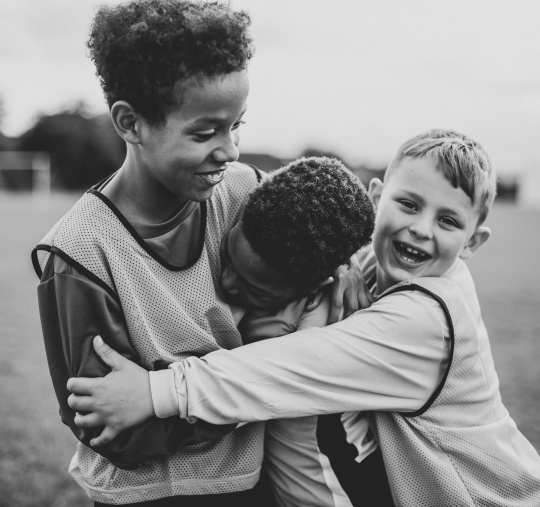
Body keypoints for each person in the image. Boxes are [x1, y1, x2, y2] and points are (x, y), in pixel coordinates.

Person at [68, 129, 540, 506]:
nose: (420, 228)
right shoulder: (391, 264)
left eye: (448, 221)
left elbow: (288, 367)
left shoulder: (426, 321)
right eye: (409, 204)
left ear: (473, 244)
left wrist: (155, 390)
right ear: (377, 199)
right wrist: (341, 261)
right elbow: (332, 238)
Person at [31, 2, 368, 505]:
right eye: (205, 131)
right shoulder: (80, 253)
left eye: (237, 125)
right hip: (150, 495)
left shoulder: (243, 192)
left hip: (255, 482)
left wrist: (339, 271)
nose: (230, 150)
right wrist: (254, 389)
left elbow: (319, 234)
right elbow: (112, 429)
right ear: (131, 122)